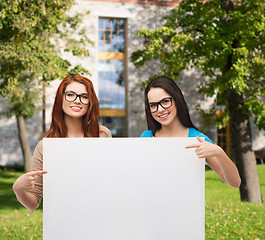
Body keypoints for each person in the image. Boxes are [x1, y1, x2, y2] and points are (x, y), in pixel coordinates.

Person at [13, 75, 112, 211]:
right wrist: (18, 190)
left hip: (100, 213)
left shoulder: (102, 135)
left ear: (90, 102)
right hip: (62, 220)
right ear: (61, 98)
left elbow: (110, 182)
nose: (77, 101)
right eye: (70, 95)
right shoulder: (46, 146)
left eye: (84, 96)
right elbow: (34, 202)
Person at [140, 76, 241, 188]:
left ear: (177, 99)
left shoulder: (197, 139)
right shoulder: (146, 138)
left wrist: (219, 152)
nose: (160, 110)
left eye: (165, 101)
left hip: (187, 205)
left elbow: (235, 182)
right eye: (153, 105)